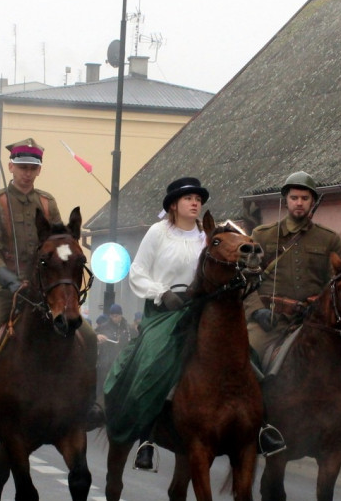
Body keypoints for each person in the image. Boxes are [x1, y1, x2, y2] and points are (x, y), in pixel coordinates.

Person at [107, 177, 286, 470]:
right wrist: (162, 293)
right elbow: (137, 272)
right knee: (156, 357)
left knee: (246, 356)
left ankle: (263, 427)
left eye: (198, 199)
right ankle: (147, 436)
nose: (195, 203)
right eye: (189, 198)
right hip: (165, 309)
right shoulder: (158, 233)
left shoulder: (208, 236)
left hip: (204, 306)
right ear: (174, 205)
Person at [244, 171, 341, 453]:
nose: (299, 203)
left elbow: (338, 281)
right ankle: (256, 425)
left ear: (312, 202)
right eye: (294, 197)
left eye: (305, 198)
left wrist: (321, 308)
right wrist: (257, 312)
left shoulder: (328, 239)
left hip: (313, 322)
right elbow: (248, 281)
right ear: (286, 200)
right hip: (271, 320)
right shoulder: (262, 235)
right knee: (249, 353)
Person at [0, 137, 63, 430]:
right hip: (6, 291)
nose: (27, 173)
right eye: (21, 167)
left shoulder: (47, 203)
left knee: (81, 331)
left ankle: (84, 399)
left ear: (39, 170)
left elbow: (59, 242)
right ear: (11, 167)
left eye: (32, 168)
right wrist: (10, 282)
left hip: (43, 291)